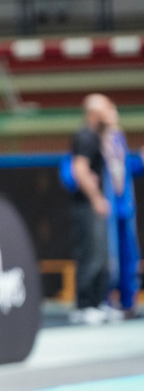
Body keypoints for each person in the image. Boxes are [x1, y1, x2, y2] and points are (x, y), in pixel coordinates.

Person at [68, 93, 113, 325]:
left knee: (101, 255)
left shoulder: (97, 136)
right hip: (86, 206)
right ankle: (84, 306)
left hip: (94, 204)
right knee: (90, 255)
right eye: (107, 107)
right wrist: (95, 198)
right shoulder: (85, 136)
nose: (111, 111)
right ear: (95, 112)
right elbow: (79, 170)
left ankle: (98, 302)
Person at [101, 99, 140, 318]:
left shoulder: (118, 137)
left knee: (129, 255)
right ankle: (107, 299)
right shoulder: (95, 138)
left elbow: (123, 168)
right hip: (108, 209)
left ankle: (128, 301)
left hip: (124, 207)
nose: (114, 114)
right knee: (109, 257)